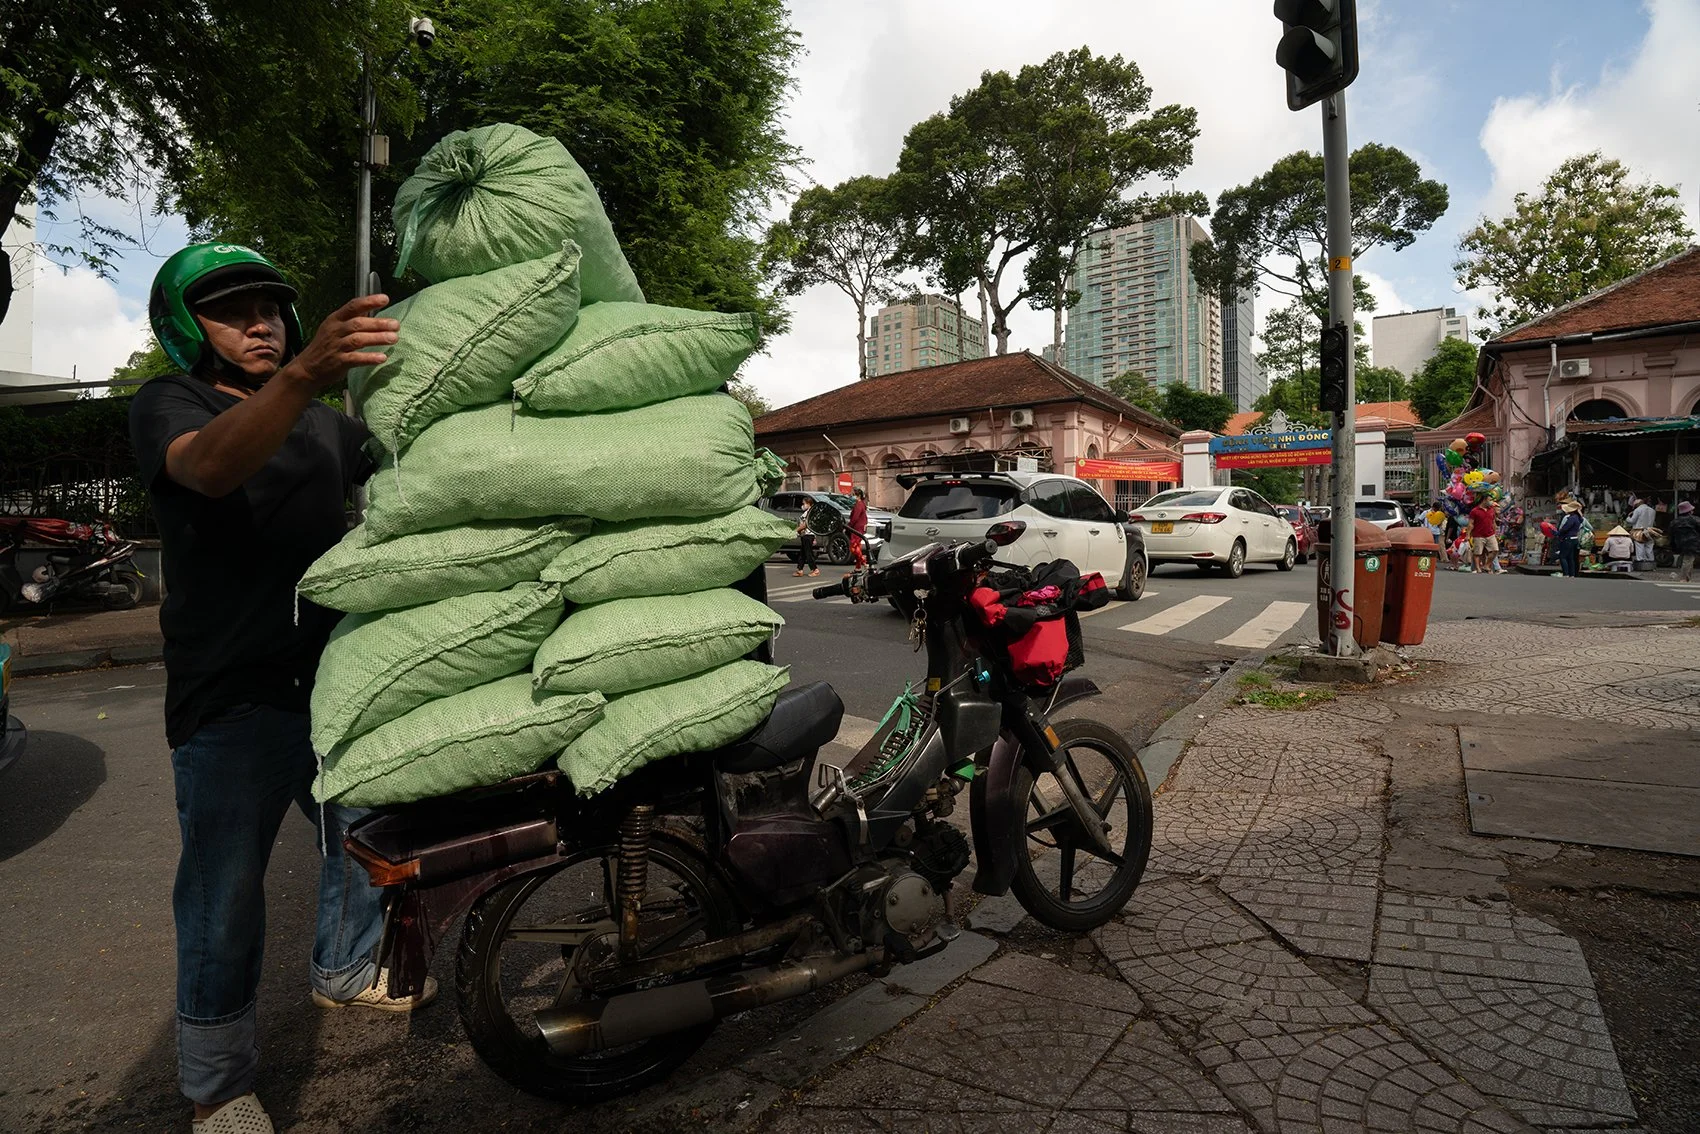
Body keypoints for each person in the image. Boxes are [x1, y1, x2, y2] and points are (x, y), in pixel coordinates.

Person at [130, 244, 432, 1134]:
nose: (260, 323)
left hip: (333, 681)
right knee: (223, 902)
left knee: (378, 830)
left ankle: (347, 965)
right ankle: (217, 1089)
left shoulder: (327, 429)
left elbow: (407, 473)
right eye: (233, 311)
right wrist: (302, 376)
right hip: (230, 699)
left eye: (270, 307)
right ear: (189, 327)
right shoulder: (170, 403)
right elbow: (208, 470)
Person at [1670, 501, 1700, 582]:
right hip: (1693, 543)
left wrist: (1673, 546)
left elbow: (1672, 535)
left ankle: (1687, 578)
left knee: (1689, 560)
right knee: (1688, 560)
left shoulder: (1674, 522)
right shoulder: (1695, 519)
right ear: (1689, 511)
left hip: (1680, 543)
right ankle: (1683, 578)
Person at [1468, 498, 1499, 574]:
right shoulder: (1474, 511)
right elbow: (1471, 524)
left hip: (1490, 534)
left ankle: (1486, 565)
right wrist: (1467, 535)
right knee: (1477, 553)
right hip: (1478, 535)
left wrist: (1495, 532)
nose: (1491, 502)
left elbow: (1493, 522)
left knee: (1495, 550)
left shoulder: (1491, 510)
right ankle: (1478, 568)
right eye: (1490, 500)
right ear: (1484, 500)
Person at [1555, 498, 1584, 578]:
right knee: (1571, 558)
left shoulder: (1571, 518)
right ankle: (1572, 574)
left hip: (1568, 539)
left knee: (1563, 556)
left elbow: (1565, 528)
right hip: (1575, 539)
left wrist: (1558, 533)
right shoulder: (1578, 518)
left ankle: (1566, 574)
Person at [1626, 495, 1658, 570]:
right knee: (1649, 546)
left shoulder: (1638, 510)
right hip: (1650, 530)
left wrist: (1628, 517)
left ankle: (1640, 561)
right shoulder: (1652, 510)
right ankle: (1651, 562)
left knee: (1640, 546)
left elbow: (1632, 521)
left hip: (1639, 530)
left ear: (1637, 504)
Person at [792, 495, 819, 577]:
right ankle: (800, 569)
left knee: (808, 553)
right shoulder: (808, 512)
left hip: (808, 535)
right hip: (805, 535)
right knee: (803, 553)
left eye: (804, 503)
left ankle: (815, 569)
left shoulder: (809, 513)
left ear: (808, 503)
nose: (803, 505)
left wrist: (796, 530)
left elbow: (805, 524)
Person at [847, 487, 869, 569]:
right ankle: (858, 567)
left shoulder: (858, 505)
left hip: (857, 528)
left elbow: (855, 518)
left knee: (854, 547)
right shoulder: (861, 504)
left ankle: (863, 561)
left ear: (858, 495)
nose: (851, 496)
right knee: (857, 547)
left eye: (853, 495)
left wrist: (849, 526)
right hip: (859, 527)